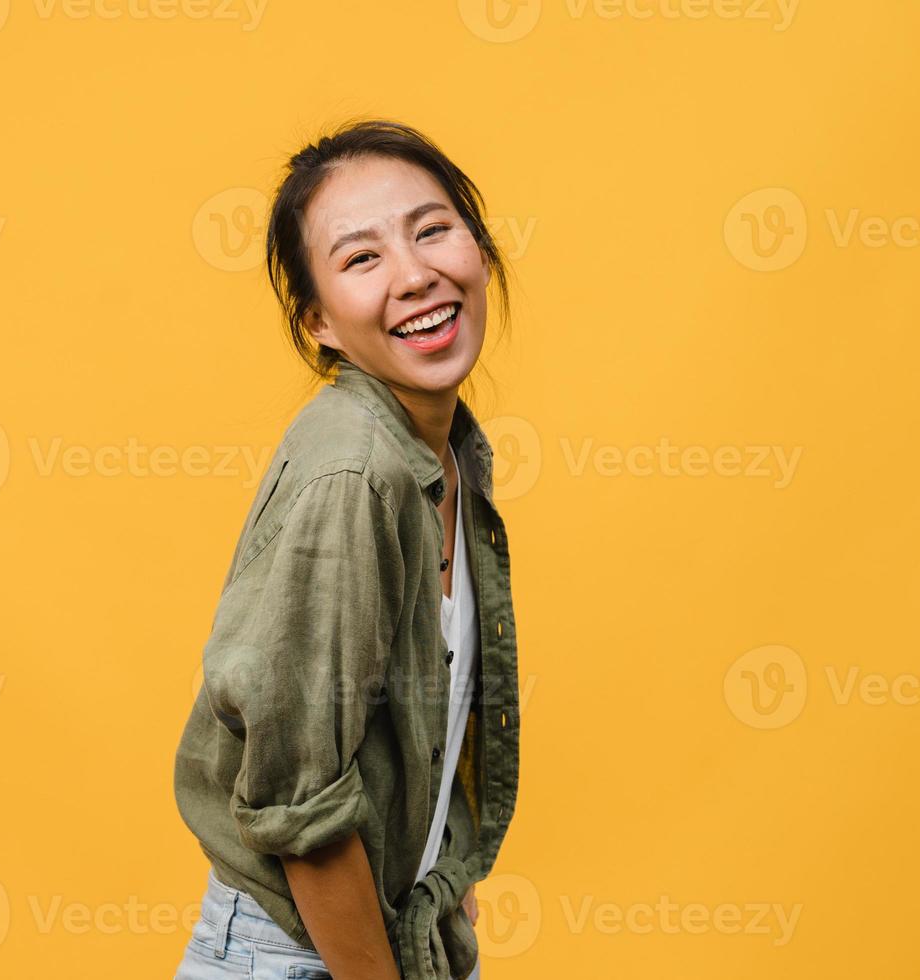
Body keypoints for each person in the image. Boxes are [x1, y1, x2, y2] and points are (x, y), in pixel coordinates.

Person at [172, 118, 522, 980]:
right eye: (362, 258)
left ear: (477, 247)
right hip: (303, 956)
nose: (415, 275)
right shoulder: (355, 474)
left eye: (433, 229)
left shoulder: (443, 452)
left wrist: (445, 883)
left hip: (395, 932)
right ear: (320, 322)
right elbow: (298, 802)